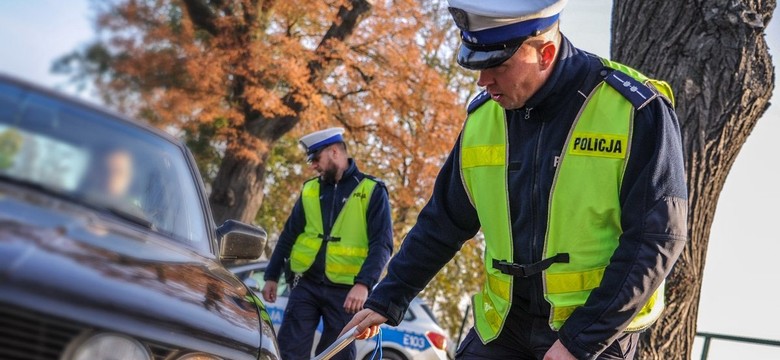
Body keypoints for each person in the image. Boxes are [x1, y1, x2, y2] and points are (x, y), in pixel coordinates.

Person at [343, 1, 688, 359]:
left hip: (592, 334)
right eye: (478, 65)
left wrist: (578, 342)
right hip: (503, 327)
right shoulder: (482, 118)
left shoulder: (635, 110)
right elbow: (443, 222)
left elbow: (656, 240)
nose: (483, 79)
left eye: (498, 65)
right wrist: (388, 296)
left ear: (545, 53)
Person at [262, 127, 393, 360]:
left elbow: (382, 244)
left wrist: (364, 285)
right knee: (289, 350)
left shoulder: (372, 190)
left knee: (337, 355)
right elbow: (288, 235)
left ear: (334, 152)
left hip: (347, 293)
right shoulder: (310, 189)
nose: (313, 165)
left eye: (316, 158)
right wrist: (272, 275)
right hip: (305, 284)